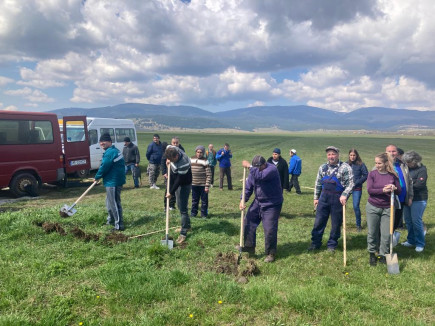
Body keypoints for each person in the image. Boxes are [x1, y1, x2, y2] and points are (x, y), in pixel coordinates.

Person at [308, 146, 354, 252]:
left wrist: (344, 195)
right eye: (329, 154)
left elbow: (351, 184)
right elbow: (318, 183)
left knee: (336, 223)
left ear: (338, 155)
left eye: (333, 154)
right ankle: (315, 243)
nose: (331, 156)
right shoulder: (322, 167)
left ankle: (332, 244)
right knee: (319, 221)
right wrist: (316, 197)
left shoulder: (345, 167)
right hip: (323, 198)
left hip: (338, 199)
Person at [239, 155, 283, 262]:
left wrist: (249, 166)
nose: (257, 169)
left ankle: (270, 253)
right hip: (258, 201)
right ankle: (249, 247)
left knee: (269, 229)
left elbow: (260, 176)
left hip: (272, 203)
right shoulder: (254, 171)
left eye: (259, 167)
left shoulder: (271, 169)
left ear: (264, 164)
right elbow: (248, 187)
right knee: (248, 221)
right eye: (255, 167)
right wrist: (242, 200)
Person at [366, 153, 401, 266]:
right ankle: (372, 254)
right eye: (376, 163)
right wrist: (383, 190)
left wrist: (394, 188)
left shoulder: (393, 175)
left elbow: (399, 191)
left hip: (388, 208)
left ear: (386, 163)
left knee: (386, 234)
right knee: (372, 232)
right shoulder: (372, 174)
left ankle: (382, 255)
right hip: (373, 207)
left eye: (379, 163)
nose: (377, 165)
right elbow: (370, 190)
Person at [94, 133, 126, 232]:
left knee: (114, 203)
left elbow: (105, 166)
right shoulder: (112, 151)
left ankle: (119, 225)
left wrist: (97, 176)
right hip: (110, 181)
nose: (102, 143)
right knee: (109, 203)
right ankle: (111, 220)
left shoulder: (110, 152)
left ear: (110, 142)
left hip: (114, 182)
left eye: (104, 141)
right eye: (100, 141)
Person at [165, 145, 192, 244]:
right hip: (176, 178)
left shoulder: (183, 163)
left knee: (183, 209)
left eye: (172, 160)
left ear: (176, 156)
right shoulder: (171, 149)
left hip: (184, 184)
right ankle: (187, 226)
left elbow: (179, 180)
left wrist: (171, 192)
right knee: (179, 206)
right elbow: (167, 146)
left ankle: (183, 233)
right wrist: (167, 162)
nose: (171, 161)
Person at [401, 151, 427, 252]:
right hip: (407, 198)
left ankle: (420, 243)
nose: (407, 164)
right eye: (406, 162)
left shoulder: (422, 170)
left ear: (415, 161)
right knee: (408, 220)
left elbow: (420, 184)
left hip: (419, 199)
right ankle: (411, 240)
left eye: (409, 162)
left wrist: (407, 186)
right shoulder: (406, 168)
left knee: (416, 221)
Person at [386, 144, 413, 235]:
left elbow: (409, 181)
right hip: (387, 201)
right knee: (386, 224)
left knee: (396, 223)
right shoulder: (382, 164)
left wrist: (409, 197)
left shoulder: (402, 165)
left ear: (397, 152)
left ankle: (390, 245)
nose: (391, 153)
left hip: (401, 199)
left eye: (393, 151)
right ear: (386, 152)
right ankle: (382, 246)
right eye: (389, 151)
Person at [347, 149, 368, 232]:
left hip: (357, 188)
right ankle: (339, 221)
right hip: (347, 189)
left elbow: (366, 175)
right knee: (341, 205)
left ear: (357, 155)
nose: (352, 157)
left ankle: (358, 225)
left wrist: (357, 182)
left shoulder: (361, 164)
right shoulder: (346, 164)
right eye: (351, 155)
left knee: (356, 206)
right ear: (349, 155)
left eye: (354, 155)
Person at [190, 145, 212, 218]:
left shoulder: (205, 161)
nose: (199, 154)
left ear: (203, 153)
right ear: (196, 152)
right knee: (194, 200)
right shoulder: (191, 159)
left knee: (204, 201)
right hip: (193, 184)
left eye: (201, 152)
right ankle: (193, 213)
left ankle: (204, 214)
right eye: (198, 152)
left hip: (202, 185)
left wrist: (207, 186)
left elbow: (208, 174)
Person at [161, 141, 176, 211]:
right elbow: (163, 164)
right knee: (168, 189)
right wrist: (164, 173)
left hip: (175, 174)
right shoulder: (166, 154)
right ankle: (166, 205)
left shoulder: (177, 153)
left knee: (174, 190)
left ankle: (172, 205)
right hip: (168, 174)